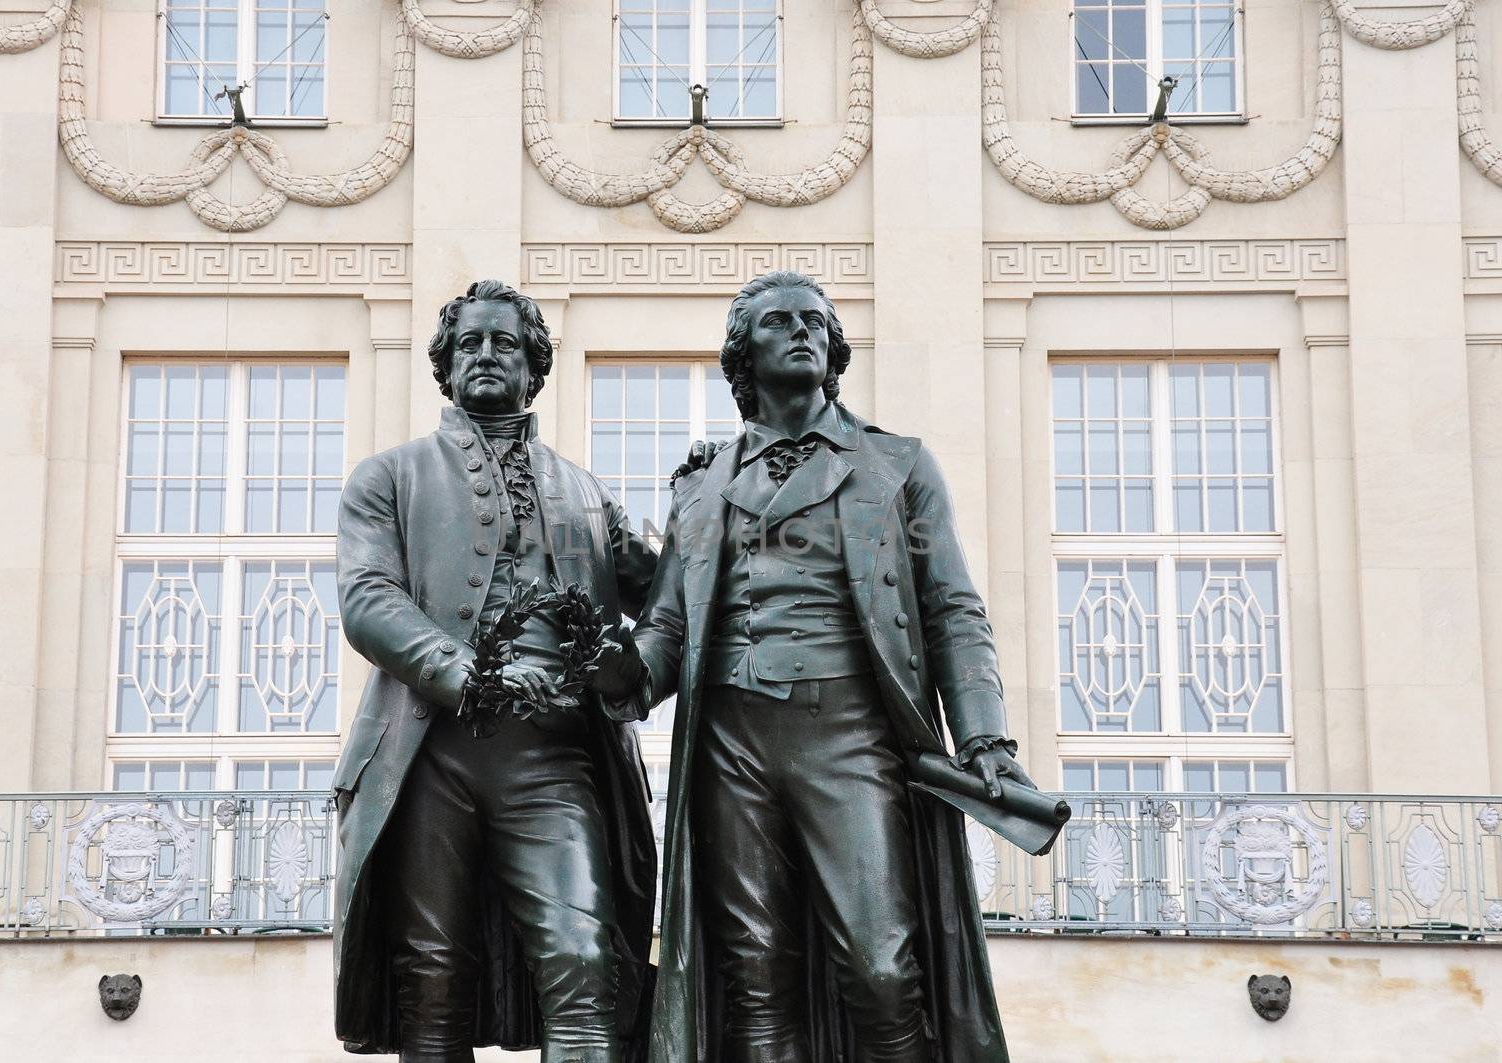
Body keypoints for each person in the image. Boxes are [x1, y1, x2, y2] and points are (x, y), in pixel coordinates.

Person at [611, 271, 1034, 1062]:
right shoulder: (703, 486)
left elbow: (953, 609)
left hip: (848, 734)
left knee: (881, 968)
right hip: (732, 744)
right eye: (780, 322)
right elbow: (668, 626)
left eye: (816, 321)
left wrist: (986, 739)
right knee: (755, 978)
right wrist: (620, 672)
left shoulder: (897, 464)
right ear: (744, 353)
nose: (804, 331)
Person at [331, 280, 658, 1062]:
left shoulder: (588, 493)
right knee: (432, 980)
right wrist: (465, 671)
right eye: (469, 342)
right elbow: (368, 599)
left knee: (585, 961)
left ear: (533, 363)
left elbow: (672, 600)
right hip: (429, 749)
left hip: (555, 755)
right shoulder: (389, 477)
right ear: (444, 364)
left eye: (504, 342)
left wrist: (714, 500)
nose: (485, 354)